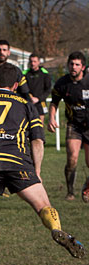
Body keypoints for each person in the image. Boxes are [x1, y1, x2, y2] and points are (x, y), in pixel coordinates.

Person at [0, 63, 85, 265]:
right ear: (15, 85)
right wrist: (36, 171)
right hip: (19, 163)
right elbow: (37, 141)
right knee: (43, 206)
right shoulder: (26, 105)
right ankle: (56, 229)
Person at [48, 51, 89, 202]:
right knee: (72, 158)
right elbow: (54, 102)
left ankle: (87, 186)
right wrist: (51, 118)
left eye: (77, 64)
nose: (74, 67)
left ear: (83, 67)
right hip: (74, 125)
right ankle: (70, 192)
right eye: (71, 64)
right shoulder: (62, 83)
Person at [23, 53, 52, 122]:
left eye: (35, 61)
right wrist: (29, 97)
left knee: (39, 127)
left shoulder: (44, 74)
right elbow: (22, 88)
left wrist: (38, 99)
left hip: (40, 104)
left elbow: (48, 90)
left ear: (39, 62)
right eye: (31, 61)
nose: (33, 64)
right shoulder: (25, 74)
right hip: (27, 103)